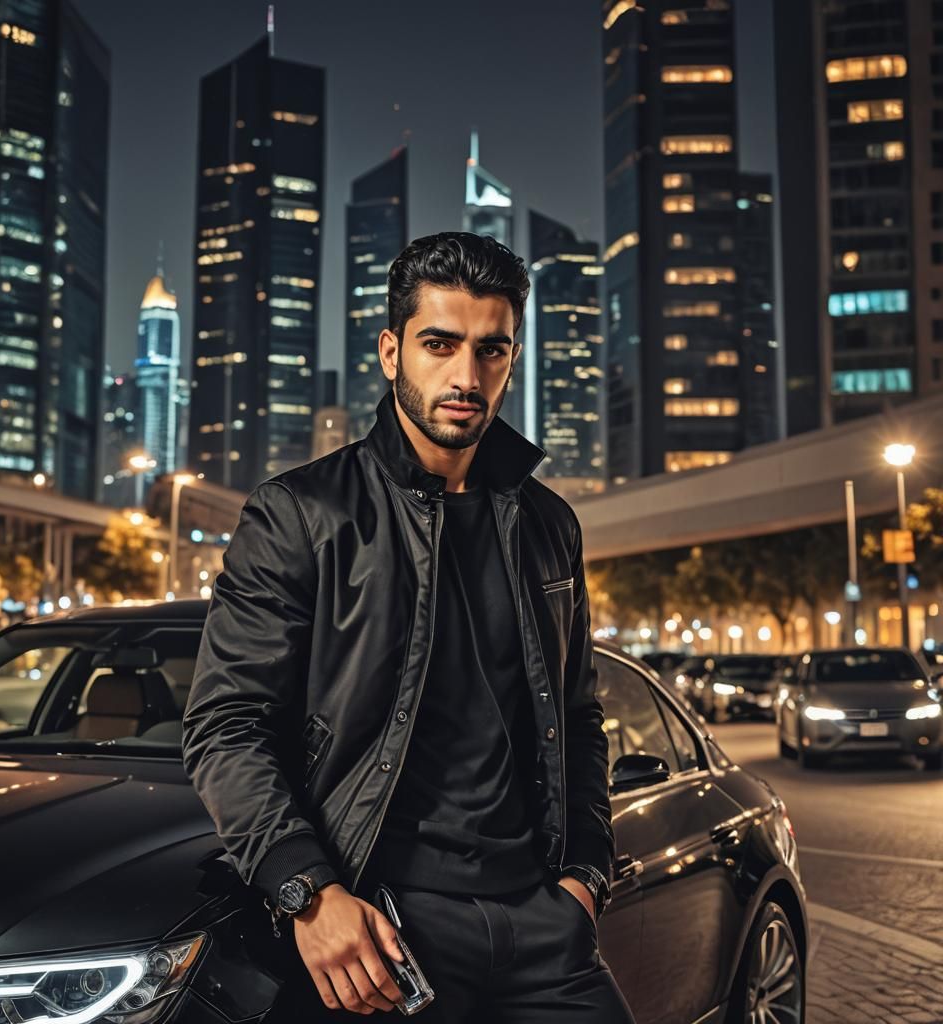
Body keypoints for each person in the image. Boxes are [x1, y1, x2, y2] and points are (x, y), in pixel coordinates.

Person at [182, 231, 635, 1021]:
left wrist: (586, 877)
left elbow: (578, 715)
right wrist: (308, 893)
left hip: (544, 925)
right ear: (392, 351)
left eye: (492, 350)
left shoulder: (548, 524)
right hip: (386, 926)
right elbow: (226, 725)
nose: (467, 376)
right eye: (440, 344)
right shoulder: (303, 514)